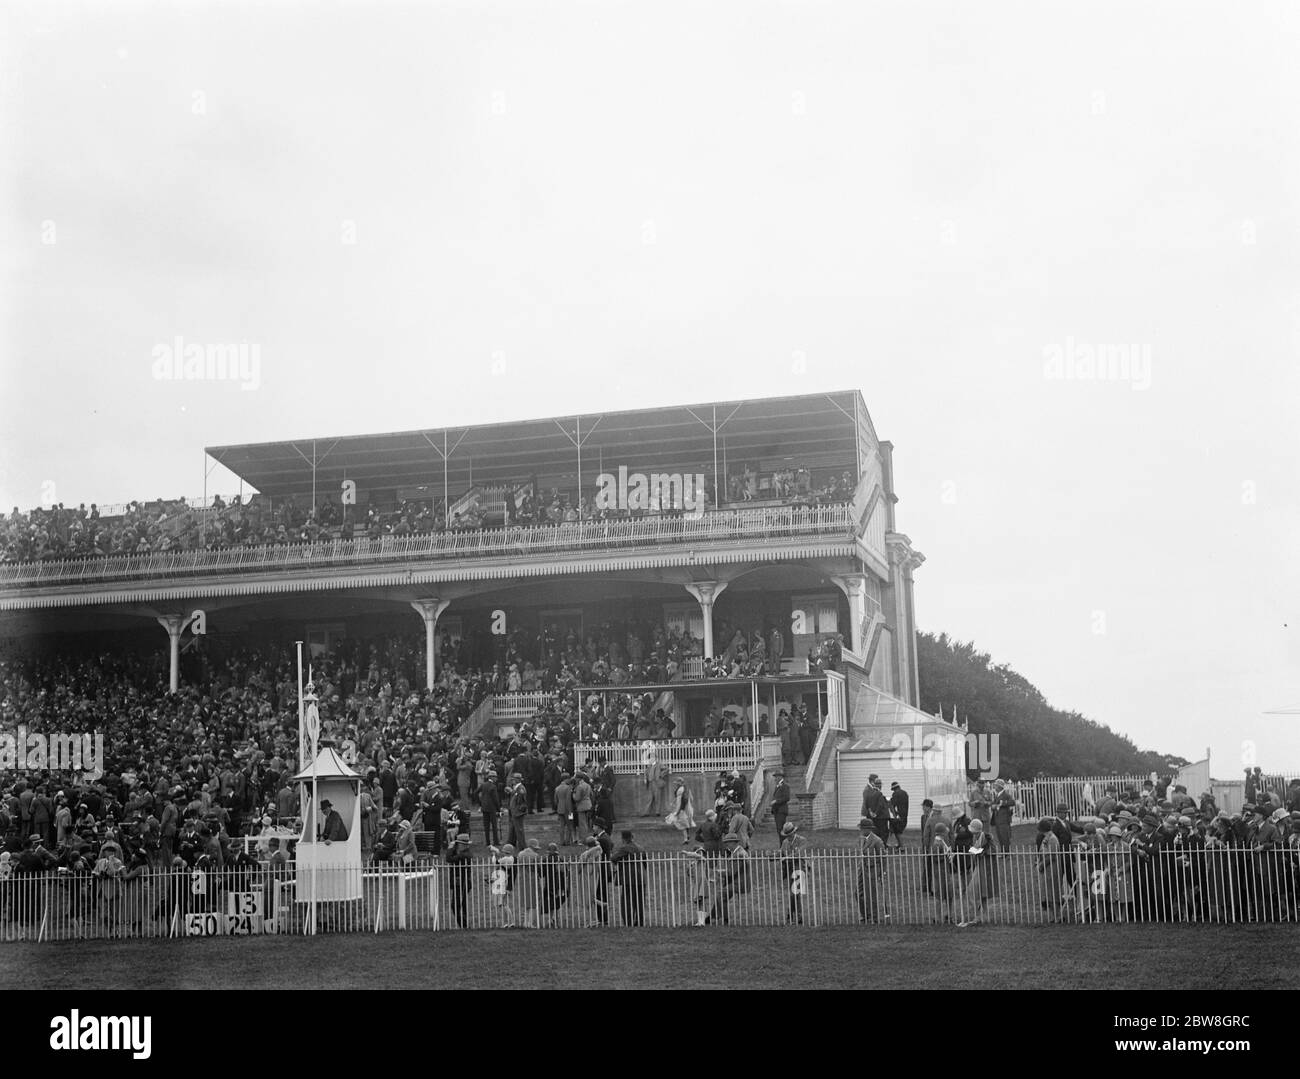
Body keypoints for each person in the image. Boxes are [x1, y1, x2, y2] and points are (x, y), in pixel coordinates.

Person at [856, 818, 890, 924]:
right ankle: (864, 915)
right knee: (858, 893)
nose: (861, 830)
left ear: (868, 829)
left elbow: (883, 857)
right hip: (862, 869)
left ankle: (874, 918)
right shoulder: (861, 839)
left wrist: (883, 872)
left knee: (871, 895)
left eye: (862, 828)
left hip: (873, 870)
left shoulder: (877, 841)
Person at [610, 829, 647, 926]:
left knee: (627, 901)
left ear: (623, 839)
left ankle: (628, 921)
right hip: (641, 878)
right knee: (639, 901)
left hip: (629, 878)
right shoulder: (641, 848)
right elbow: (645, 863)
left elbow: (614, 858)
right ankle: (639, 921)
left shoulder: (625, 848)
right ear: (632, 837)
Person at [665, 778, 695, 844]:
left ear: (679, 783)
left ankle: (686, 839)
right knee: (686, 823)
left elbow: (679, 801)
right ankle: (687, 837)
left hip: (682, 809)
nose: (675, 784)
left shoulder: (680, 790)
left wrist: (677, 810)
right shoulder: (686, 788)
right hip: (686, 808)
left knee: (682, 824)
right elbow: (691, 798)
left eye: (677, 783)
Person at [888, 782, 909, 851]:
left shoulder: (896, 794)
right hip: (905, 815)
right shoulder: (905, 793)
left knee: (897, 831)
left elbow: (892, 805)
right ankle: (900, 845)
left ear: (894, 789)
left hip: (898, 816)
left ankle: (902, 846)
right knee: (899, 830)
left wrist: (894, 814)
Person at [770, 772, 791, 837]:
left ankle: (784, 845)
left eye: (776, 777)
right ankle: (783, 845)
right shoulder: (777, 786)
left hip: (781, 810)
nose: (775, 779)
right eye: (775, 777)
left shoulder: (785, 786)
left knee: (781, 829)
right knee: (779, 830)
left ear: (780, 777)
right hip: (777, 810)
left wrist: (776, 801)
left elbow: (786, 798)